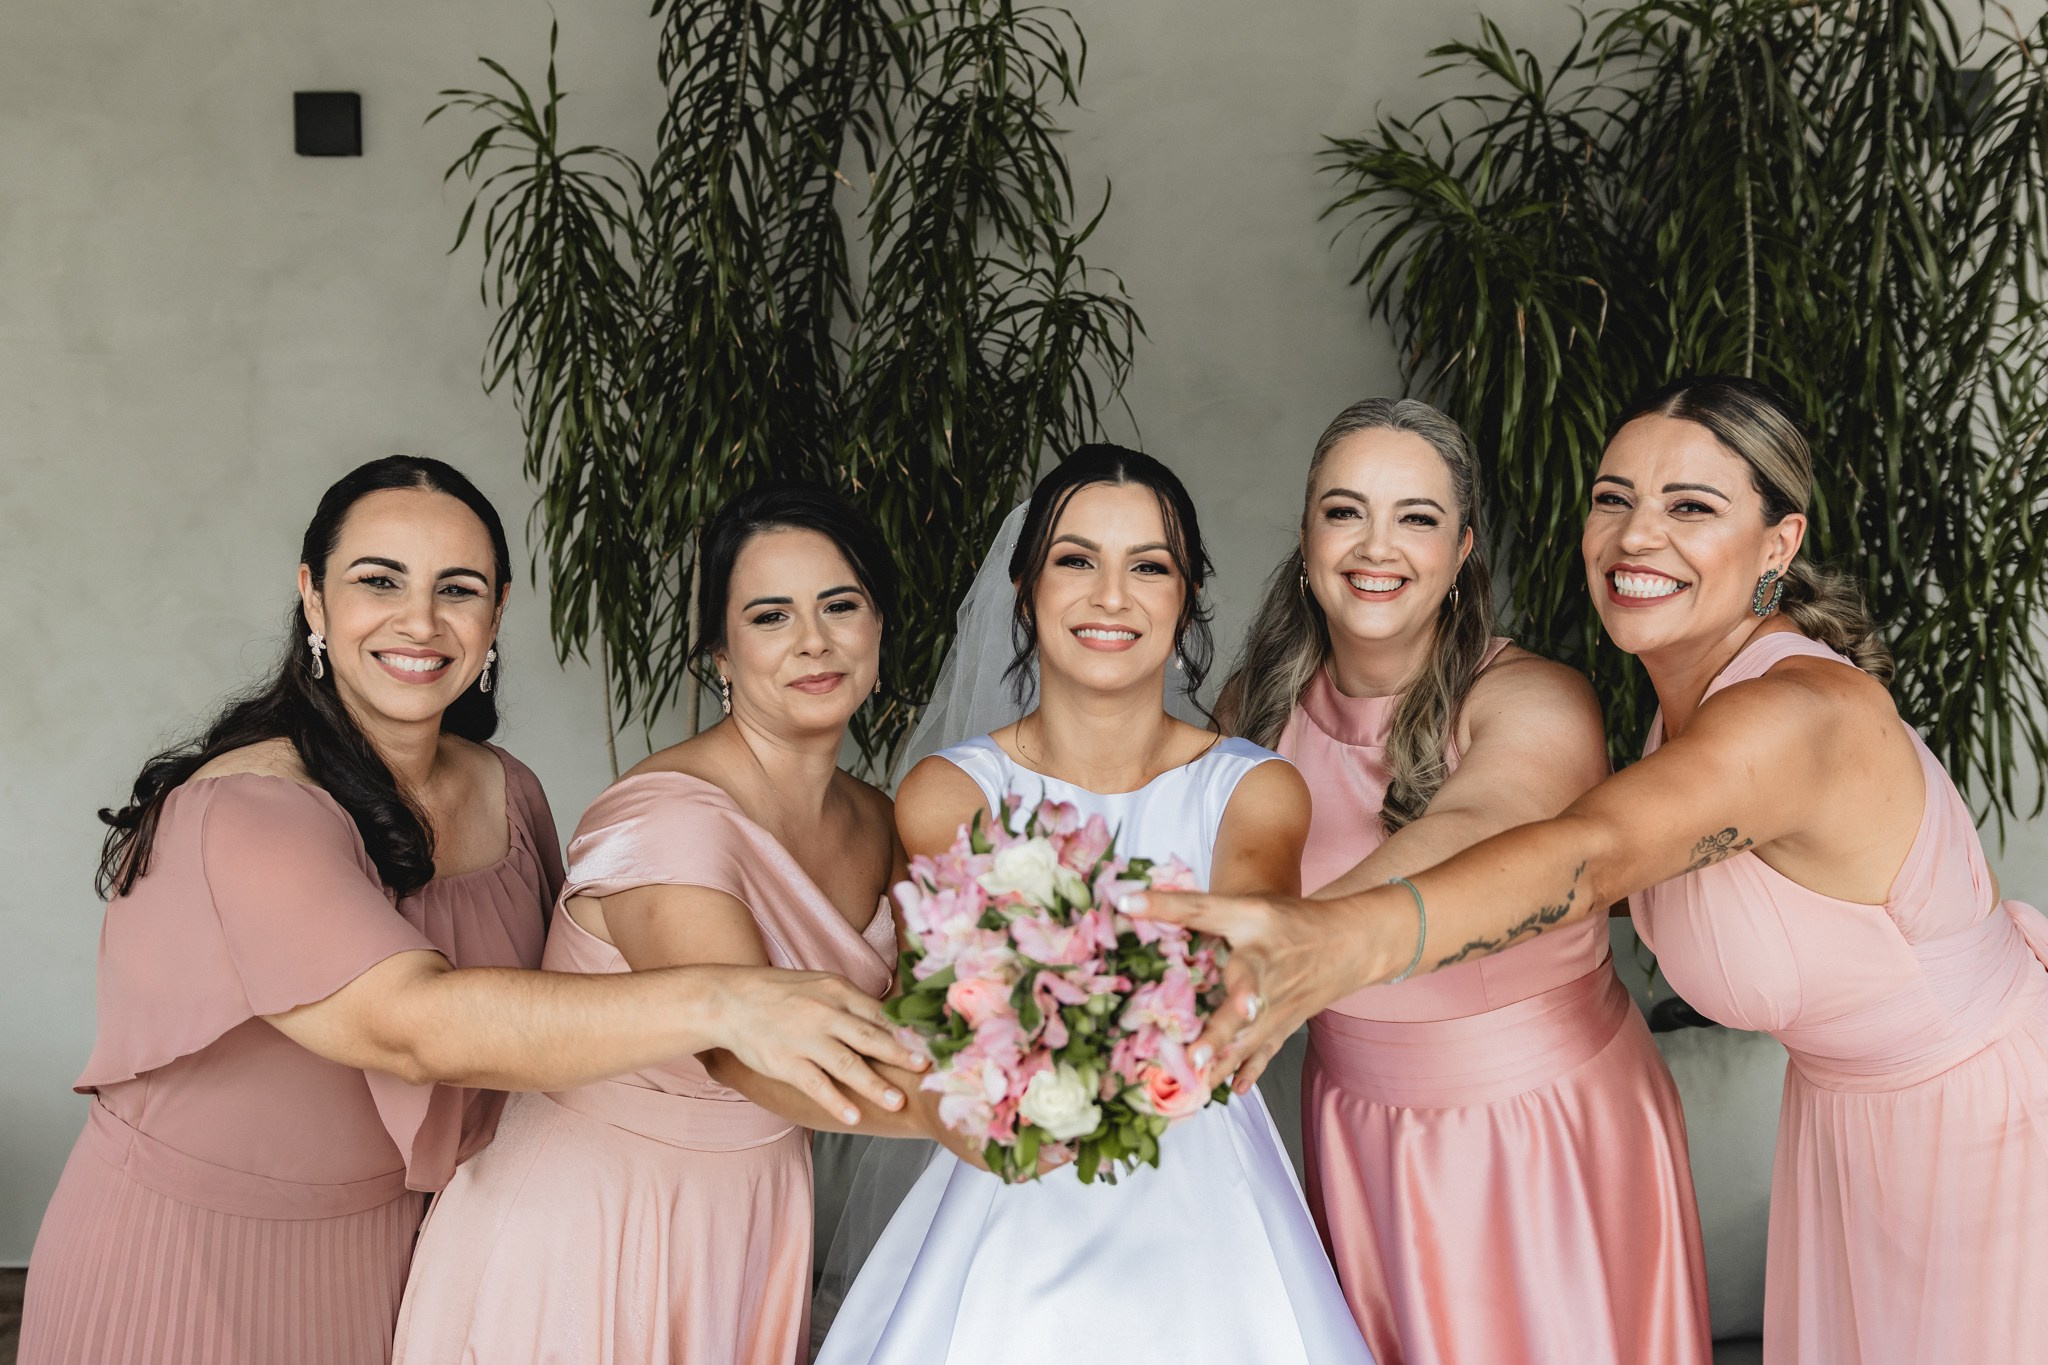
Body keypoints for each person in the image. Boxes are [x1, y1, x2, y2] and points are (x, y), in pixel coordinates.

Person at [1144, 376, 2048, 1365]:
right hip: (1842, 1122)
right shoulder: (1686, 697)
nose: (1633, 536)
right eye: (1612, 497)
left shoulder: (1790, 717)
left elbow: (1584, 857)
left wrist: (1331, 938)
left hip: (1981, 1123)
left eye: (1689, 506)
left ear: (1776, 546)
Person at [19, 458, 921, 1365]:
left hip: (398, 1252)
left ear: (495, 616)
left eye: (458, 588)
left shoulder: (507, 792)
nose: (420, 620)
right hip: (192, 1258)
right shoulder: (247, 810)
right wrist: (729, 1000)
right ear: (314, 599)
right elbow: (417, 1025)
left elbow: (552, 1017)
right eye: (379, 580)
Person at [393, 482, 975, 1363]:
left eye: (841, 606)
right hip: (593, 1217)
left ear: (879, 629)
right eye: (771, 615)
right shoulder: (666, 818)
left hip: (754, 1213)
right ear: (721, 654)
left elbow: (940, 1006)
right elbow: (744, 1054)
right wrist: (999, 1109)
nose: (814, 640)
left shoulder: (886, 820)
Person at [816, 446, 1374, 1364]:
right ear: (1027, 586)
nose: (1111, 595)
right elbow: (968, 993)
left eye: (1148, 565)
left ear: (1185, 597)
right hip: (1013, 1180)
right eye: (1077, 560)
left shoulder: (1255, 787)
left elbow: (1252, 960)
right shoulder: (949, 792)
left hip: (1206, 1191)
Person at [1215, 397, 1708, 1365]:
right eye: (1344, 510)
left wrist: (1309, 940)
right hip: (1353, 1127)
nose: (1375, 546)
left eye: (1416, 518)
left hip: (1541, 1128)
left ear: (1461, 552)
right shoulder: (1251, 710)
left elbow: (1478, 828)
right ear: (1307, 536)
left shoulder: (1533, 693)